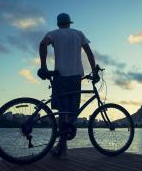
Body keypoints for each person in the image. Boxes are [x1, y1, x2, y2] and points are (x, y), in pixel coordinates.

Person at [37, 13, 99, 157]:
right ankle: (62, 147)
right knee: (71, 112)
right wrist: (94, 70)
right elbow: (89, 53)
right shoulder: (78, 34)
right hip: (76, 76)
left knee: (63, 112)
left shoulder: (53, 34)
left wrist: (43, 66)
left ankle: (62, 147)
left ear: (58, 24)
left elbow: (42, 44)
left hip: (61, 76)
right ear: (69, 23)